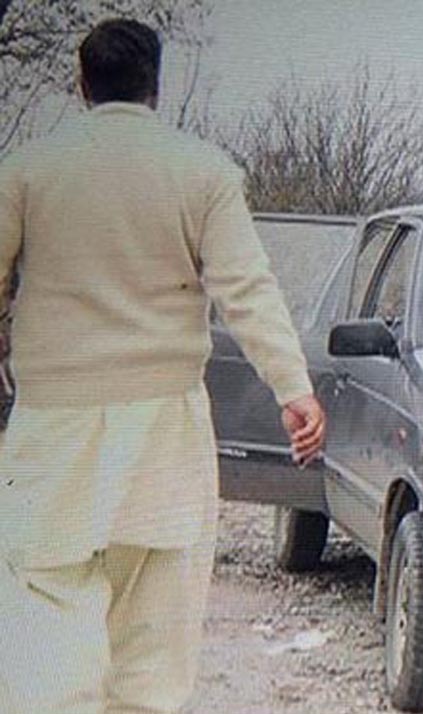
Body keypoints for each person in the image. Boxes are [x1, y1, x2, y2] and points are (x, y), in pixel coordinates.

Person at [0, 18, 327, 714]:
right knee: (154, 634)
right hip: (163, 431)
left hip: (52, 428)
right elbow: (248, 290)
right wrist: (293, 388)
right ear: (156, 85)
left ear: (82, 85)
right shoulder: (203, 172)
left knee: (45, 618)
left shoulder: (26, 171)